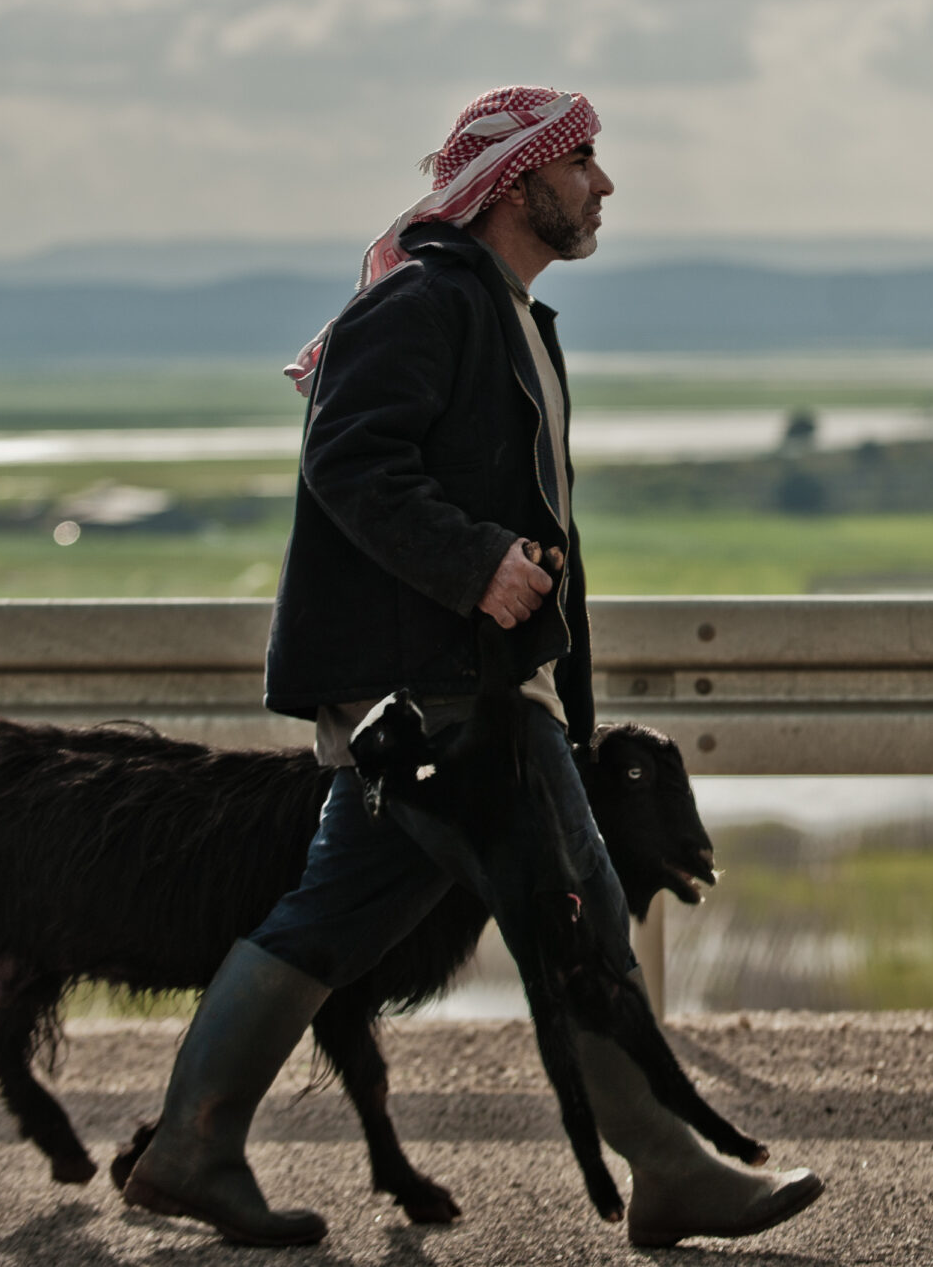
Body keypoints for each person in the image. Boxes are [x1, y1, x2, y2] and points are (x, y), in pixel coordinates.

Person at [121, 87, 824, 1248]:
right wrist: (473, 563)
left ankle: (194, 1144)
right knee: (576, 911)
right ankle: (671, 1167)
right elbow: (349, 462)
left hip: (468, 685)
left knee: (333, 915)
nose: (603, 184)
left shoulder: (505, 315)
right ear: (514, 182)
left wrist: (562, 690)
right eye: (583, 160)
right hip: (444, 689)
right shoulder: (426, 305)